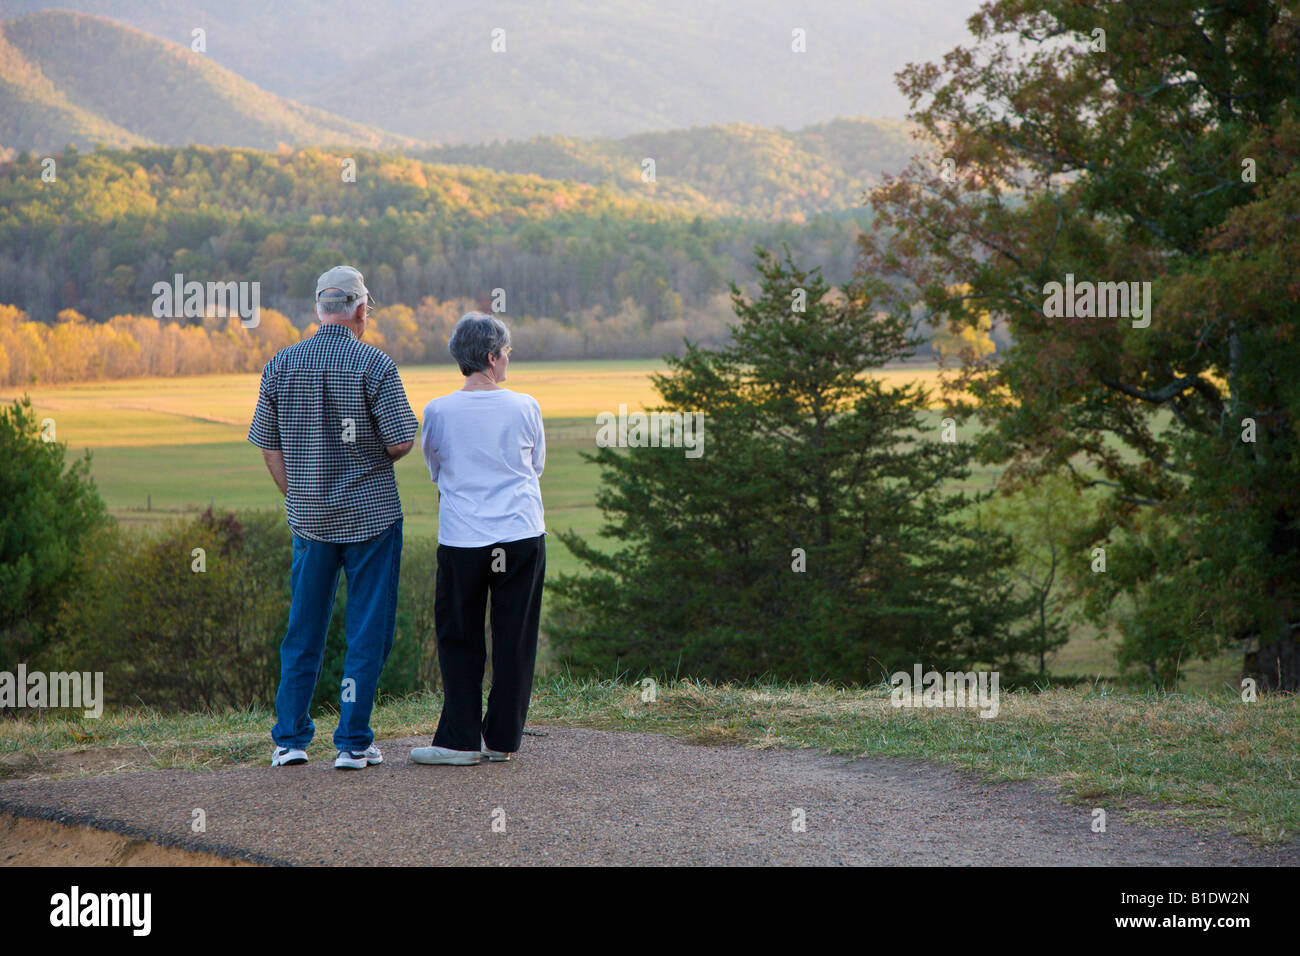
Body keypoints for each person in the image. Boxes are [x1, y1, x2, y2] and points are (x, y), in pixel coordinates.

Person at [248, 265, 418, 770]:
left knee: (303, 628)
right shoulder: (374, 364)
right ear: (362, 310)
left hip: (310, 521)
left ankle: (291, 739)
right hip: (371, 518)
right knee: (366, 632)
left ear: (319, 311)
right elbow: (400, 440)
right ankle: (353, 741)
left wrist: (298, 494)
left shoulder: (280, 365)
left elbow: (268, 445)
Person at [411, 312, 546, 766]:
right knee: (515, 638)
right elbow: (536, 467)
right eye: (506, 353)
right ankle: (502, 739)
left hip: (463, 538)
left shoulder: (437, 410)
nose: (508, 361)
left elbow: (435, 468)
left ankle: (459, 739)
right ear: (491, 357)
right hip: (520, 534)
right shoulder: (525, 406)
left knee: (460, 635)